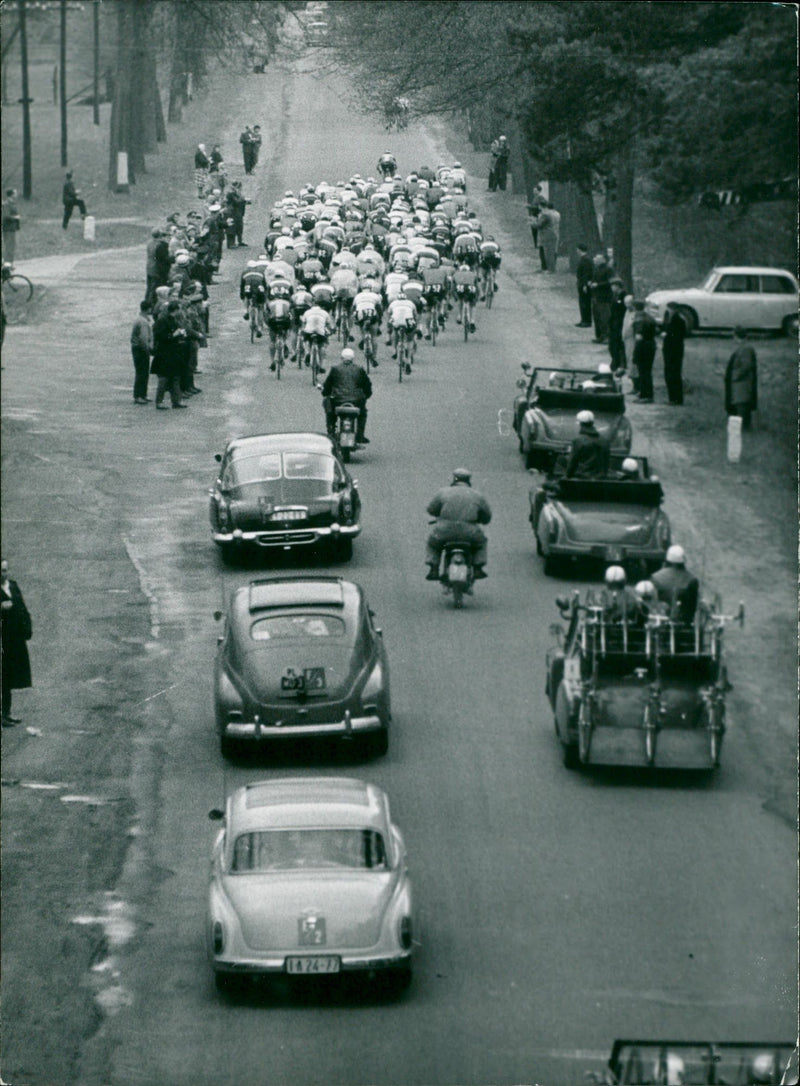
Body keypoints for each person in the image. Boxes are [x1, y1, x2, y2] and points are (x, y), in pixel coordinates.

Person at [426, 469, 492, 580]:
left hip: (444, 530)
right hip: (470, 532)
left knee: (433, 544)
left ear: (454, 479)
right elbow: (486, 516)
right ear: (469, 480)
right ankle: (478, 568)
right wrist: (480, 520)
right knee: (481, 542)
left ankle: (433, 568)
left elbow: (431, 509)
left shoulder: (443, 492)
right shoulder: (477, 495)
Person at [1, 557, 32, 726]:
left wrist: (27, 629)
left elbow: (22, 607)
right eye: (1, 571)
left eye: (5, 570)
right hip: (2, 640)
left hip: (14, 639)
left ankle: (6, 712)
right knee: (3, 677)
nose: (3, 574)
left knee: (9, 677)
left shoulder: (12, 586)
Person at [321, 348, 372, 443]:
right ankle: (360, 435)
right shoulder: (359, 369)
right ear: (353, 359)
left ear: (342, 358)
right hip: (357, 401)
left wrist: (325, 393)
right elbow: (367, 385)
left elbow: (327, 385)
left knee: (329, 411)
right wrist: (366, 396)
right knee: (362, 414)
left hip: (337, 400)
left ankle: (331, 432)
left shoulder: (335, 369)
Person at [151, 300, 188, 409]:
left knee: (175, 378)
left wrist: (180, 334)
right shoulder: (162, 321)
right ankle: (160, 402)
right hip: (164, 354)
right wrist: (173, 335)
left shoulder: (172, 320)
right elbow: (160, 336)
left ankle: (176, 401)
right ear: (175, 310)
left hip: (173, 354)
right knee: (164, 379)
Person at [651, 545, 699, 624]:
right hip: (685, 619)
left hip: (660, 617)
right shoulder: (692, 580)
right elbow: (693, 606)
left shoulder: (655, 577)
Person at [724, 326, 757, 429]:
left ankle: (744, 428)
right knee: (739, 405)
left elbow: (746, 366)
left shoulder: (745, 349)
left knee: (741, 405)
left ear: (736, 336)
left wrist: (734, 376)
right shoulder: (744, 347)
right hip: (740, 383)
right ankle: (742, 427)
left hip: (742, 384)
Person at [565, 410, 610, 479]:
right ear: (592, 423)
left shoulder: (578, 441)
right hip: (600, 479)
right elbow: (606, 463)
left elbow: (572, 463)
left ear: (580, 424)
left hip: (582, 478)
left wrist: (567, 477)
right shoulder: (604, 441)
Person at [661, 303, 688, 405]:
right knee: (670, 373)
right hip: (670, 349)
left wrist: (667, 335)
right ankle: (672, 397)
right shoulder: (670, 319)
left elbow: (678, 335)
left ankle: (676, 398)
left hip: (674, 350)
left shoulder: (678, 321)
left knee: (674, 373)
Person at [131, 300, 154, 404]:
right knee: (142, 372)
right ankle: (139, 395)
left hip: (137, 348)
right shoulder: (143, 322)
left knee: (142, 372)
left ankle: (142, 394)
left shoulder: (141, 319)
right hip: (141, 350)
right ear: (148, 309)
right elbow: (143, 339)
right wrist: (149, 350)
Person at [588, 253, 613, 342]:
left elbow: (610, 282)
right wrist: (591, 282)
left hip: (604, 297)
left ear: (603, 259)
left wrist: (598, 285)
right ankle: (599, 336)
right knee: (597, 317)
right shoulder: (596, 269)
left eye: (597, 258)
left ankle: (606, 336)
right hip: (596, 296)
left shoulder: (608, 269)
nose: (595, 259)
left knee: (604, 317)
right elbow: (594, 279)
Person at [607, 278, 627, 372]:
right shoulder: (614, 295)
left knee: (617, 344)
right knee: (612, 344)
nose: (611, 287)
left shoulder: (623, 296)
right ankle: (615, 361)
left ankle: (618, 362)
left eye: (613, 285)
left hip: (619, 323)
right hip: (614, 322)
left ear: (618, 286)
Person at [536, 201, 561, 272]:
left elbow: (541, 224)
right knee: (554, 251)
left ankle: (547, 267)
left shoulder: (547, 214)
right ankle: (551, 266)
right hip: (556, 232)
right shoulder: (557, 214)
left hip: (547, 234)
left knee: (546, 251)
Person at [575, 243, 593, 327]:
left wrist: (585, 284)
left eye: (577, 249)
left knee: (585, 302)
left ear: (580, 250)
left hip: (584, 284)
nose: (576, 251)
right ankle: (583, 319)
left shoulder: (586, 260)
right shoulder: (584, 259)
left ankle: (587, 321)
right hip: (581, 283)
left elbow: (587, 274)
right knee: (582, 302)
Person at [2, 188, 21, 263]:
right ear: (11, 195)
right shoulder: (6, 204)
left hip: (12, 228)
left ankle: (9, 262)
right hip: (8, 228)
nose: (16, 194)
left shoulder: (12, 203)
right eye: (15, 193)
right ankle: (7, 263)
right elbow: (6, 216)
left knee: (12, 246)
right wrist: (15, 217)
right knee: (9, 246)